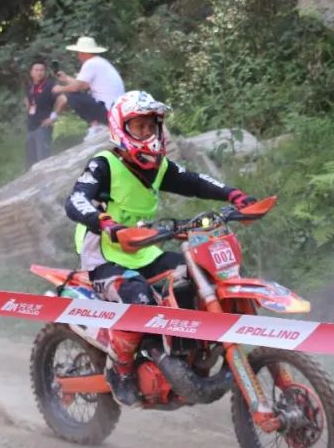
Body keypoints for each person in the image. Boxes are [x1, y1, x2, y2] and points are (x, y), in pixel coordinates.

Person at [63, 90, 257, 406]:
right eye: (138, 127)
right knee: (138, 298)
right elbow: (75, 200)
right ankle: (121, 371)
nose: (147, 133)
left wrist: (234, 195)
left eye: (150, 126)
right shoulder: (104, 165)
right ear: (121, 129)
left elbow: (194, 181)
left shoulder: (157, 167)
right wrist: (107, 224)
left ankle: (187, 351)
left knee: (198, 276)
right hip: (104, 256)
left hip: (144, 250)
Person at [51, 36, 126, 140]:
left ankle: (96, 126)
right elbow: (84, 86)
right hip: (116, 110)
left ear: (83, 53)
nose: (78, 56)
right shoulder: (100, 62)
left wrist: (60, 89)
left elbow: (75, 88)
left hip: (108, 110)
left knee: (72, 96)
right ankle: (98, 125)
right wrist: (66, 78)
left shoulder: (90, 63)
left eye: (79, 53)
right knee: (78, 94)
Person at [24, 61, 57, 170]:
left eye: (42, 70)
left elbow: (62, 100)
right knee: (31, 161)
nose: (39, 72)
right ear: (31, 72)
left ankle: (48, 179)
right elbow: (27, 102)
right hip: (30, 128)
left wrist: (53, 117)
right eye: (36, 70)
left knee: (43, 159)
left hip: (43, 127)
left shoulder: (49, 86)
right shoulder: (30, 87)